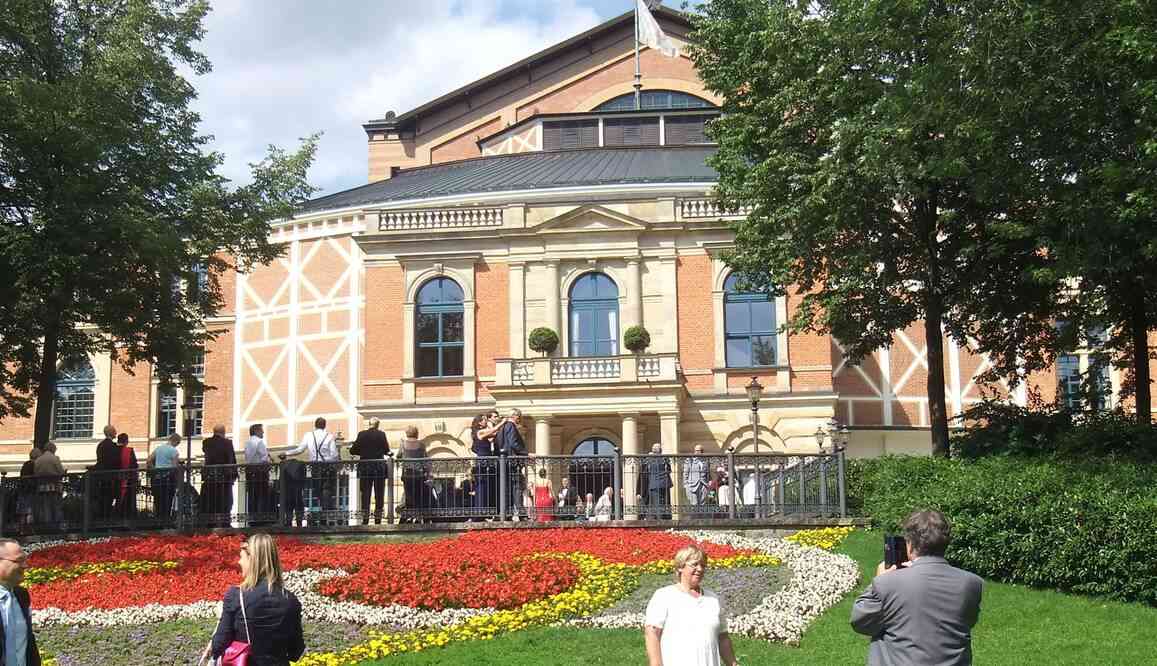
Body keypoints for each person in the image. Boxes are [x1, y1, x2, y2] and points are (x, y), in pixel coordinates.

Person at [851, 510, 983, 666]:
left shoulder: (887, 583)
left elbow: (860, 622)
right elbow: (967, 621)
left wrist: (878, 580)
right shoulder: (972, 583)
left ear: (910, 544)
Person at [205, 533, 304, 666]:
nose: (239, 562)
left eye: (242, 557)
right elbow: (295, 652)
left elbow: (218, 646)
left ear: (252, 560)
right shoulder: (291, 601)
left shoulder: (236, 596)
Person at [644, 545, 738, 666]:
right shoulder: (664, 596)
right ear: (680, 567)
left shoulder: (713, 599)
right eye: (694, 564)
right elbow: (652, 633)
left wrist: (733, 664)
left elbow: (723, 637)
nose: (700, 569)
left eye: (703, 565)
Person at [284, 417, 341, 526]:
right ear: (325, 425)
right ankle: (324, 519)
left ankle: (322, 516)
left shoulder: (309, 435)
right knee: (327, 492)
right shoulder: (329, 436)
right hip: (326, 467)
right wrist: (335, 461)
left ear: (315, 425)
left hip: (315, 467)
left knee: (318, 491)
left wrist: (287, 453)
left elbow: (300, 449)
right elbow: (334, 455)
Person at [0, 539, 41, 665]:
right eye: (19, 560)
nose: (25, 565)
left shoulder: (21, 595)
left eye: (25, 560)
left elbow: (28, 642)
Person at [349, 417, 389, 525]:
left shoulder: (361, 434)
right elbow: (386, 450)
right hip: (379, 468)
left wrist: (363, 452)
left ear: (369, 424)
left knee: (365, 494)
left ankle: (365, 519)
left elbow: (353, 450)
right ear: (377, 425)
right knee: (379, 494)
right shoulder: (381, 434)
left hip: (365, 467)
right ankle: (378, 520)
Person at [493, 409, 527, 520]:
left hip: (504, 462)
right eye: (519, 416)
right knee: (517, 488)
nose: (520, 419)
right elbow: (513, 443)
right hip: (512, 462)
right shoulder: (511, 426)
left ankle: (505, 514)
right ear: (515, 416)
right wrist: (526, 453)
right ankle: (521, 514)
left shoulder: (501, 427)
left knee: (506, 489)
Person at [201, 425, 237, 528]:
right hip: (224, 477)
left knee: (211, 501)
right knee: (225, 501)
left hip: (210, 477)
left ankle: (210, 522)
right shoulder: (227, 443)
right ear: (223, 432)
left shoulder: (206, 442)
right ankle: (225, 522)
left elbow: (206, 454)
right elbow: (231, 459)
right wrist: (233, 474)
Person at [394, 426, 431, 523]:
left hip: (407, 474)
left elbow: (398, 456)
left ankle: (409, 517)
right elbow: (426, 459)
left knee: (409, 496)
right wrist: (428, 472)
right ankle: (417, 518)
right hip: (419, 474)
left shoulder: (403, 444)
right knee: (418, 496)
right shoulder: (421, 445)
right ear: (416, 433)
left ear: (407, 433)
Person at [468, 413, 498, 520]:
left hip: (486, 462)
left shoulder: (482, 431)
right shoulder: (479, 431)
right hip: (482, 462)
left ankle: (483, 512)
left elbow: (492, 435)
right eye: (484, 420)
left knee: (484, 488)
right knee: (481, 488)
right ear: (480, 422)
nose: (486, 421)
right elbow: (492, 431)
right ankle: (479, 514)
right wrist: (502, 423)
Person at [147, 434, 181, 526]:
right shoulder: (174, 451)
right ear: (175, 441)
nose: (177, 445)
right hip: (168, 479)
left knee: (158, 501)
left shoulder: (159, 448)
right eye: (178, 443)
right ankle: (166, 523)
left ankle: (158, 522)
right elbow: (174, 467)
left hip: (157, 479)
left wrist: (155, 469)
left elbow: (149, 460)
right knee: (167, 502)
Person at [244, 424, 273, 526]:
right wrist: (270, 463)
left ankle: (252, 519)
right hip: (260, 472)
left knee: (252, 496)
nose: (263, 432)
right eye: (261, 430)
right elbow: (264, 458)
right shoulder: (259, 442)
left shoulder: (247, 442)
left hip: (250, 472)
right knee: (261, 496)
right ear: (256, 431)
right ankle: (261, 519)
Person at [33, 442, 65, 530]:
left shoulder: (38, 460)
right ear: (53, 449)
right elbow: (61, 472)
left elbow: (35, 473)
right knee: (56, 506)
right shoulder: (55, 458)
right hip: (54, 486)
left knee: (45, 507)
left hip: (42, 487)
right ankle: (57, 526)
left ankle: (46, 526)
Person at [93, 425, 120, 520]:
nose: (116, 433)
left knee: (102, 500)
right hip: (110, 477)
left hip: (101, 476)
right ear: (111, 433)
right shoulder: (113, 446)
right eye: (114, 431)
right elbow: (116, 462)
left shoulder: (100, 445)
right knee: (108, 500)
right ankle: (106, 520)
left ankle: (101, 519)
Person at [641, 443, 672, 520]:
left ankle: (659, 520)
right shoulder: (664, 459)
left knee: (657, 504)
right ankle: (661, 518)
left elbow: (644, 470)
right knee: (662, 503)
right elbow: (669, 470)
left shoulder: (650, 459)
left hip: (654, 484)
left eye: (653, 449)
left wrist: (649, 457)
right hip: (663, 484)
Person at [113, 434, 140, 522]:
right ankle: (127, 520)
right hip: (127, 480)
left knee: (117, 500)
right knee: (127, 502)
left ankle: (116, 519)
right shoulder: (129, 451)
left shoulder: (113, 450)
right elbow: (134, 465)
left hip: (115, 480)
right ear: (126, 441)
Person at [683, 445, 711, 511]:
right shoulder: (690, 460)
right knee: (694, 504)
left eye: (700, 451)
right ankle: (694, 520)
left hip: (703, 484)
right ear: (694, 451)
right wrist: (686, 484)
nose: (698, 452)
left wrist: (708, 482)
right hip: (692, 485)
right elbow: (685, 473)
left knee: (702, 504)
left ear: (702, 452)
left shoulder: (706, 461)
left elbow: (708, 473)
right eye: (696, 451)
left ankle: (701, 519)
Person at [16, 451, 38, 533]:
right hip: (29, 490)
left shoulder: (26, 464)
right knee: (29, 511)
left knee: (22, 512)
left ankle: (21, 529)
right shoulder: (33, 465)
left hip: (22, 490)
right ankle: (29, 529)